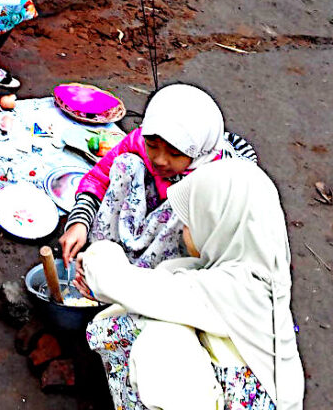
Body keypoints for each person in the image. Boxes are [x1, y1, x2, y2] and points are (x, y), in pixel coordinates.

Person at [73, 159, 304, 410]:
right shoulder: (261, 270)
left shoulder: (240, 288)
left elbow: (141, 289)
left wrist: (94, 257)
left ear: (218, 226)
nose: (183, 231)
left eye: (189, 222)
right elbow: (171, 284)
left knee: (160, 336)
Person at [59, 83, 257, 269]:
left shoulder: (219, 177)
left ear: (200, 152)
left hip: (170, 261)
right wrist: (79, 223)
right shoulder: (140, 141)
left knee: (186, 202)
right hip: (142, 220)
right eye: (152, 146)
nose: (160, 160)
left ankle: (140, 278)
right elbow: (98, 179)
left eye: (175, 153)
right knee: (125, 164)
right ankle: (102, 254)